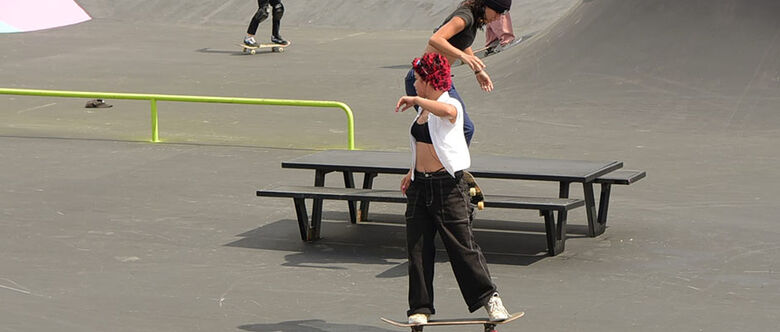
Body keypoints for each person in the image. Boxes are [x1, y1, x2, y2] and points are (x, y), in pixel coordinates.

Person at [395, 53, 511, 325]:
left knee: (462, 247)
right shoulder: (424, 111)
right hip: (419, 187)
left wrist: (416, 100)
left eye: (418, 81)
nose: (414, 85)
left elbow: (447, 113)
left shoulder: (450, 104)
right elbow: (425, 145)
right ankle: (420, 308)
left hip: (447, 188)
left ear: (428, 81)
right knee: (418, 248)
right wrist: (411, 171)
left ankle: (490, 299)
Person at [405, 0, 512, 146]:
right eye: (498, 12)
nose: (498, 17)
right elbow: (436, 38)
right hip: (423, 80)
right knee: (450, 129)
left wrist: (478, 70)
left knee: (464, 129)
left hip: (440, 81)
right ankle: (429, 167)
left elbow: (463, 42)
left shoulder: (473, 18)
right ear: (485, 5)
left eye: (503, 14)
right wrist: (463, 57)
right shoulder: (464, 16)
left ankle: (449, 168)